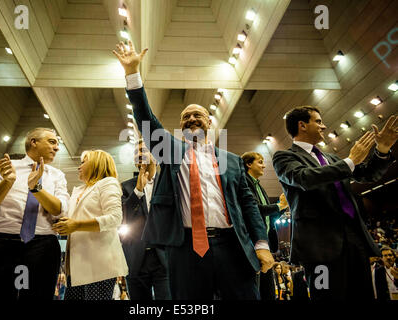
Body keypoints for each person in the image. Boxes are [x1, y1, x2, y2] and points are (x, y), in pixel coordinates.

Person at [113, 40, 274, 300]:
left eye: (197, 115)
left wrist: (262, 243)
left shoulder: (232, 161)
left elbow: (248, 205)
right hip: (185, 249)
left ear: (209, 122)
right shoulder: (171, 151)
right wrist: (132, 73)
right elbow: (145, 119)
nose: (191, 119)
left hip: (232, 245)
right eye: (185, 117)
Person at [272, 107, 397, 300]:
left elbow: (368, 174)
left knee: (363, 294)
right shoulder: (285, 157)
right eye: (318, 121)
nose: (324, 126)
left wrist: (382, 150)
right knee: (327, 296)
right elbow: (304, 178)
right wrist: (350, 161)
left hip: (354, 237)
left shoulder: (331, 158)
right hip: (319, 246)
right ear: (302, 125)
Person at [0, 128, 70, 300]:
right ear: (34, 142)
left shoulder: (58, 175)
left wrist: (37, 189)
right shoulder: (4, 167)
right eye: (52, 141)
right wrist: (7, 182)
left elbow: (60, 210)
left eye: (57, 144)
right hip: (4, 243)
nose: (57, 148)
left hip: (43, 246)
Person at [52, 150, 128, 300]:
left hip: (99, 264)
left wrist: (76, 225)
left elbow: (115, 218)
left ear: (96, 164)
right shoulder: (78, 190)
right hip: (76, 266)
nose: (78, 167)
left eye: (83, 162)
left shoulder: (107, 183)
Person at [121, 139, 171, 300]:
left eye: (143, 150)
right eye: (136, 152)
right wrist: (138, 191)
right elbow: (124, 217)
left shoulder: (169, 183)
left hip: (164, 257)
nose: (139, 154)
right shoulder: (126, 187)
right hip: (135, 258)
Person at [241, 151, 288, 300]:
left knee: (268, 291)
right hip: (251, 244)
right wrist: (279, 206)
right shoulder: (245, 183)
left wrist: (282, 208)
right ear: (249, 164)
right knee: (255, 290)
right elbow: (254, 209)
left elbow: (268, 216)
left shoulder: (259, 186)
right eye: (260, 162)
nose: (264, 165)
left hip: (265, 243)